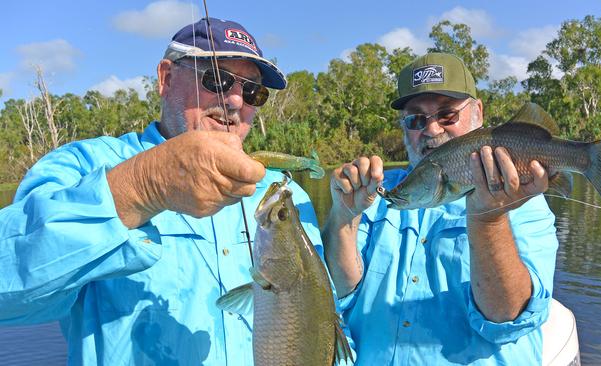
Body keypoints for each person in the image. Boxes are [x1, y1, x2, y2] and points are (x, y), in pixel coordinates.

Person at [0, 18, 348, 365]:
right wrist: (144, 185)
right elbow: (9, 294)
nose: (236, 101)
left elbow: (322, 325)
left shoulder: (287, 197)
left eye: (254, 92)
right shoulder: (82, 166)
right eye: (217, 79)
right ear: (166, 78)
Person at [323, 53, 559, 365]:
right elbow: (340, 293)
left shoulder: (523, 201)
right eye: (416, 119)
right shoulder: (376, 192)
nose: (432, 130)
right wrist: (343, 217)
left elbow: (507, 317)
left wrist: (488, 220)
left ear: (477, 112)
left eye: (447, 115)